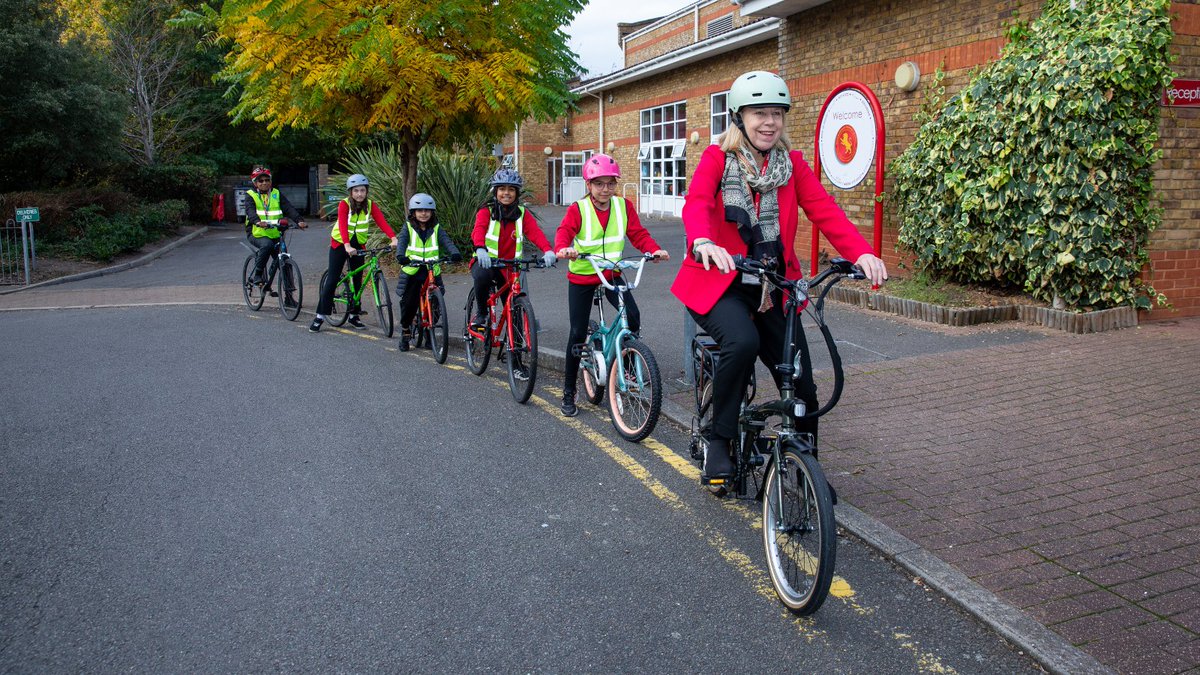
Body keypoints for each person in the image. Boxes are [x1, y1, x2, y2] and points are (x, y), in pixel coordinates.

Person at [670, 70, 888, 481]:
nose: (769, 122)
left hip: (774, 288)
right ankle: (719, 442)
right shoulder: (717, 159)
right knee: (742, 341)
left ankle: (810, 475)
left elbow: (824, 209)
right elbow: (696, 201)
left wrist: (861, 253)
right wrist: (702, 240)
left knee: (802, 385)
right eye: (759, 113)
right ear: (739, 117)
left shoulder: (792, 166)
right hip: (722, 283)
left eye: (776, 114)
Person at [554, 154, 669, 417]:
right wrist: (563, 249)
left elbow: (638, 233)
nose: (605, 189)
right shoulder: (578, 209)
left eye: (610, 183)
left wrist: (653, 250)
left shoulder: (623, 206)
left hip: (612, 272)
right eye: (599, 184)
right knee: (576, 332)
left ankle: (625, 364)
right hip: (583, 275)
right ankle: (569, 391)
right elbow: (564, 231)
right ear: (589, 185)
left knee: (633, 316)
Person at [310, 174, 398, 333]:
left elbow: (381, 221)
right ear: (350, 192)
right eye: (356, 191)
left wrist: (393, 237)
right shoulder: (344, 204)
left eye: (362, 190)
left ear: (366, 191)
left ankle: (354, 315)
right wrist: (347, 245)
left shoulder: (370, 205)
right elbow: (343, 225)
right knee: (333, 278)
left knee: (357, 280)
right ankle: (320, 315)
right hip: (340, 243)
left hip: (359, 244)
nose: (359, 194)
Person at [469, 168, 556, 329]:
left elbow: (535, 233)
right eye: (502, 189)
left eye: (511, 189)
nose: (506, 193)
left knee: (514, 307)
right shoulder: (486, 211)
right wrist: (480, 249)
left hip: (509, 267)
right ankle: (481, 313)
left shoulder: (522, 213)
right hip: (487, 262)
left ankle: (514, 349)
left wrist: (548, 250)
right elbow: (478, 230)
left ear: (517, 193)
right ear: (495, 191)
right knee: (482, 277)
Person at [395, 192, 462, 351]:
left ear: (432, 212)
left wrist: (454, 252)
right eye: (420, 210)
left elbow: (446, 241)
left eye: (427, 210)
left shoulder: (436, 228)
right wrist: (401, 255)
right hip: (413, 270)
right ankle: (405, 331)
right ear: (413, 213)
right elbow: (402, 242)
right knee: (409, 303)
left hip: (432, 270)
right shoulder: (408, 227)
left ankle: (427, 332)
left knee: (435, 302)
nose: (423, 213)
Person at [244, 166, 307, 306]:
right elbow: (250, 211)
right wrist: (257, 221)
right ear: (255, 183)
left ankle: (289, 298)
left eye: (267, 180)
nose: (264, 183)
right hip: (256, 232)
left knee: (285, 263)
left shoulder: (276, 194)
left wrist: (299, 220)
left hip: (276, 233)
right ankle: (258, 275)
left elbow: (288, 208)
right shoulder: (251, 195)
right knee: (266, 245)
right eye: (260, 181)